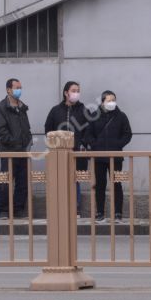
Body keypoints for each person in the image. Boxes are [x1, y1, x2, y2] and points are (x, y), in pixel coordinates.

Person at [84, 90, 132, 224]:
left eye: (113, 100)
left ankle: (118, 213)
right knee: (99, 184)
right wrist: (95, 145)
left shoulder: (121, 116)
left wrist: (118, 144)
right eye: (108, 100)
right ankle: (100, 213)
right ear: (102, 102)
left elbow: (127, 134)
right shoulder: (94, 116)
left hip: (115, 157)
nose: (111, 103)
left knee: (117, 184)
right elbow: (87, 134)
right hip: (99, 157)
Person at [44, 81, 90, 217]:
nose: (76, 93)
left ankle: (75, 209)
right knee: (59, 181)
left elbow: (90, 130)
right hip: (58, 154)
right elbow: (48, 129)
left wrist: (83, 143)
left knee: (74, 181)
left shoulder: (83, 110)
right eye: (74, 90)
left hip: (77, 153)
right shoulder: (55, 110)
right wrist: (54, 144)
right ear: (66, 93)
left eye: (78, 90)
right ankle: (59, 209)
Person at [0, 78, 33, 219]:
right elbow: (1, 131)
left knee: (22, 183)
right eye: (16, 87)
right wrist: (15, 143)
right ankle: (3, 210)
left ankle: (18, 210)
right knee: (6, 181)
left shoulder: (22, 107)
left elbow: (26, 128)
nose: (19, 90)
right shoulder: (2, 107)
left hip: (24, 152)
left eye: (20, 87)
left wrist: (28, 141)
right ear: (8, 89)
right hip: (9, 152)